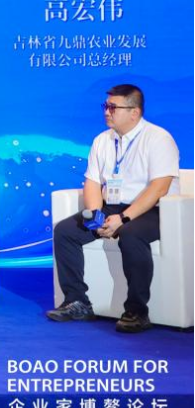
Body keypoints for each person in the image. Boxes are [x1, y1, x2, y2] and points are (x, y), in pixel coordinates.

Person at [48, 85, 180, 332]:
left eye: (112, 107)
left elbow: (159, 188)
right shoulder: (102, 140)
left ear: (134, 112)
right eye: (105, 106)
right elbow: (92, 182)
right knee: (65, 231)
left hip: (153, 209)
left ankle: (137, 311)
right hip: (112, 207)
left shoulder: (158, 139)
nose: (106, 112)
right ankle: (77, 302)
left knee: (131, 235)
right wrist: (96, 217)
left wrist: (124, 218)